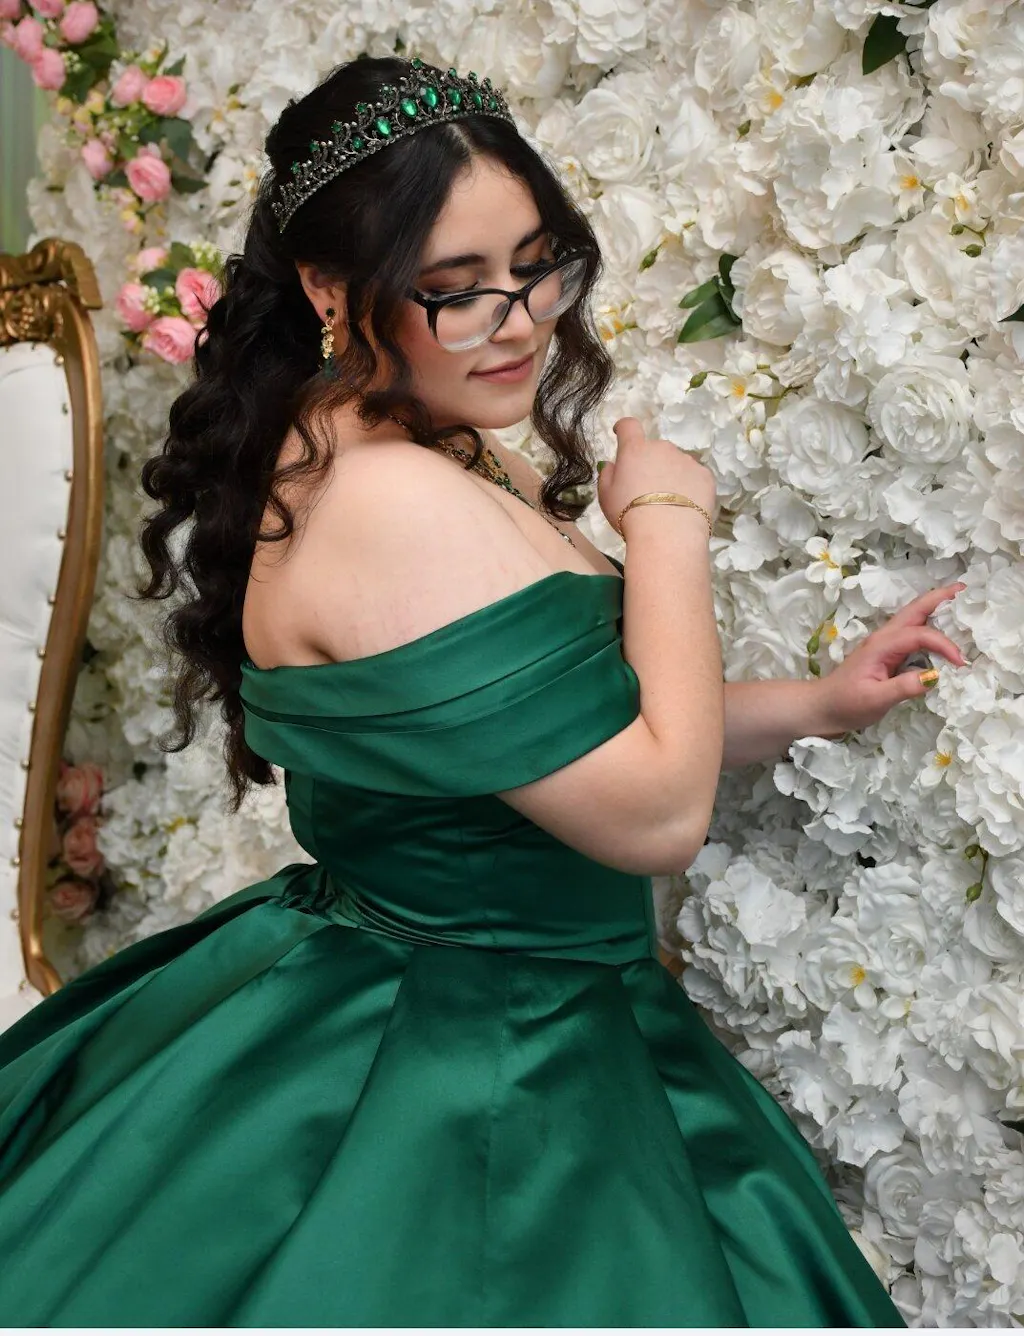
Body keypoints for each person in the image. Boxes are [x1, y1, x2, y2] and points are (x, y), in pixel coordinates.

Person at [0, 55, 910, 1327]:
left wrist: (812, 704)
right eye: (455, 288)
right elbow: (654, 813)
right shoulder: (391, 498)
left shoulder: (393, 438)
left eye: (535, 266)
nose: (519, 321)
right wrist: (664, 525)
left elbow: (571, 729)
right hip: (480, 1048)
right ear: (329, 288)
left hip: (448, 994)